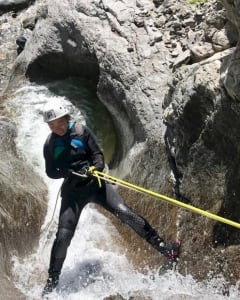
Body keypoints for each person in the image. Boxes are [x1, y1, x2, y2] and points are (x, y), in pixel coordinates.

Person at [41, 102, 180, 296]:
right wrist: (66, 171)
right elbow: (50, 171)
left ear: (66, 118)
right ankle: (51, 283)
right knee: (63, 236)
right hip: (73, 193)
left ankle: (166, 249)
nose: (56, 128)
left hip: (96, 186)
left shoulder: (82, 132)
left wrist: (94, 169)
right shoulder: (50, 144)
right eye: (51, 125)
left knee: (126, 213)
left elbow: (98, 156)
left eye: (58, 123)